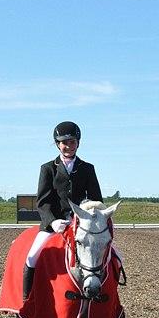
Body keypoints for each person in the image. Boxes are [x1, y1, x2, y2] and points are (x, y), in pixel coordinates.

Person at [23, 121, 103, 299]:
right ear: (57, 144)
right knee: (31, 257)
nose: (68, 146)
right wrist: (52, 221)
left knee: (113, 256)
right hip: (55, 224)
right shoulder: (48, 169)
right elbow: (42, 202)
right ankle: (26, 300)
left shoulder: (88, 168)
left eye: (72, 142)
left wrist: (87, 207)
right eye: (64, 142)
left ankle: (107, 301)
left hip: (81, 224)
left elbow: (97, 199)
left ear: (78, 143)